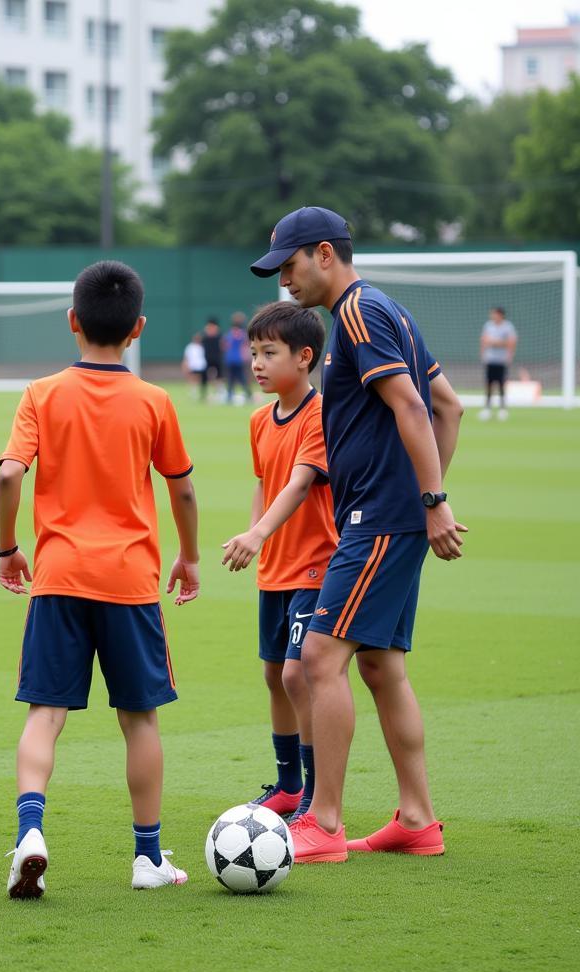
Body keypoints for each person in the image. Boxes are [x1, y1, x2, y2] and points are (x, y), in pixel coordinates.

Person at [251, 206, 466, 863]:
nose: (284, 280)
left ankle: (324, 821)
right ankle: (417, 819)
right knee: (379, 666)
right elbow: (448, 405)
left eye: (289, 266)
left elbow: (411, 405)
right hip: (391, 514)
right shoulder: (387, 308)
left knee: (319, 659)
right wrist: (420, 500)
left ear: (323, 253)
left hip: (377, 518)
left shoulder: (354, 314)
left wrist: (428, 499)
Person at [0, 260, 200, 898]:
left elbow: (7, 476)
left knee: (45, 714)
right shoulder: (154, 400)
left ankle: (30, 832)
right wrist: (189, 555)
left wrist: (7, 548)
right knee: (140, 721)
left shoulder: (41, 393)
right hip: (130, 581)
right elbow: (182, 487)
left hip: (58, 577)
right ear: (137, 329)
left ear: (72, 321)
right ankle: (147, 859)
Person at [220, 301, 338, 823]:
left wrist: (258, 531)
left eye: (269, 353)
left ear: (305, 357)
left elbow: (299, 482)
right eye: (253, 352)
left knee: (298, 676)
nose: (257, 363)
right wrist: (257, 539)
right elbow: (265, 483)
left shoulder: (321, 414)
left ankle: (315, 796)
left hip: (317, 563)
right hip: (276, 566)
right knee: (274, 676)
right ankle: (288, 786)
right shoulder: (257, 419)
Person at [479, 306, 516, 421]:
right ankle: (487, 408)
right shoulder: (488, 326)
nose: (493, 316)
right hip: (490, 360)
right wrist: (483, 353)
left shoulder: (508, 327)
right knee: (488, 384)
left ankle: (502, 409)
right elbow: (484, 340)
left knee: (501, 384)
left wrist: (496, 342)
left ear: (500, 315)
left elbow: (511, 342)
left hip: (501, 360)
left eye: (495, 314)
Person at [223, 312, 253, 405]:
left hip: (229, 358)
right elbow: (247, 344)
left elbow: (224, 345)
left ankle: (229, 396)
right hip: (239, 359)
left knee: (231, 379)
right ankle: (248, 395)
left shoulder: (229, 334)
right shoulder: (243, 334)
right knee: (242, 378)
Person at [199, 316, 224, 401]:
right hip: (207, 359)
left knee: (219, 376)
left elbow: (222, 346)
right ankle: (204, 394)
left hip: (217, 358)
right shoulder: (204, 336)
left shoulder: (219, 335)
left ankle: (220, 393)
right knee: (204, 376)